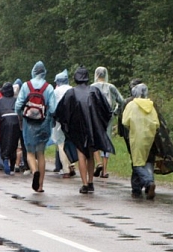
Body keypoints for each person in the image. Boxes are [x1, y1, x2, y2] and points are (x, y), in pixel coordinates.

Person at [54, 66, 114, 194]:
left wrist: (65, 125)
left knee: (81, 154)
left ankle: (84, 183)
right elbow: (107, 109)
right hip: (92, 127)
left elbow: (61, 111)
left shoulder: (71, 93)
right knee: (90, 154)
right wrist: (100, 124)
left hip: (77, 128)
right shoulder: (94, 91)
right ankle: (91, 182)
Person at [15, 61, 57, 192]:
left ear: (33, 71)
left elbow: (18, 105)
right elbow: (53, 109)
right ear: (44, 72)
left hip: (29, 124)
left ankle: (34, 171)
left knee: (30, 153)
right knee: (41, 154)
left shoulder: (26, 86)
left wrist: (22, 116)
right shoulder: (49, 87)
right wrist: (49, 120)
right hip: (43, 123)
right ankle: (40, 186)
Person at [121, 83, 160, 199]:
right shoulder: (151, 105)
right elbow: (157, 123)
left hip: (136, 136)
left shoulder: (131, 105)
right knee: (146, 161)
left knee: (137, 163)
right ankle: (136, 190)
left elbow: (125, 122)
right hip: (149, 136)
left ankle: (149, 182)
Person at [90, 66, 124, 179]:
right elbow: (121, 101)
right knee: (106, 139)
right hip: (108, 116)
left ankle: (98, 162)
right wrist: (115, 112)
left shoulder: (92, 87)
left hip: (95, 116)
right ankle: (104, 171)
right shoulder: (111, 87)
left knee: (94, 139)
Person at [0, 82, 22, 175]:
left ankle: (5, 158)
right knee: (14, 143)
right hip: (15, 121)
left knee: (4, 141)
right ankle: (12, 167)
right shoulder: (16, 100)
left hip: (4, 121)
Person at [51, 70, 76, 177]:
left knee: (61, 144)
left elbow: (52, 107)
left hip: (59, 121)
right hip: (72, 120)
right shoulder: (73, 90)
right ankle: (72, 164)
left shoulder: (55, 92)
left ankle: (66, 169)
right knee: (71, 142)